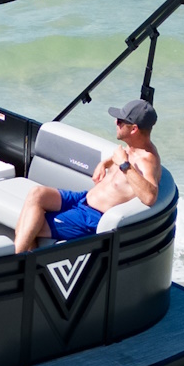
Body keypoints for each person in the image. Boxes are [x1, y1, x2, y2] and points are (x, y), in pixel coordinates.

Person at [13, 99, 161, 255]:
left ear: (134, 129)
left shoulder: (147, 161)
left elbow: (150, 196)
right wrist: (104, 163)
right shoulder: (132, 147)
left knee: (28, 226)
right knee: (37, 193)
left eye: (120, 121)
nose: (115, 123)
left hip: (92, 217)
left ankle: (14, 262)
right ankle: (24, 260)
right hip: (83, 198)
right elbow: (121, 159)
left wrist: (124, 165)